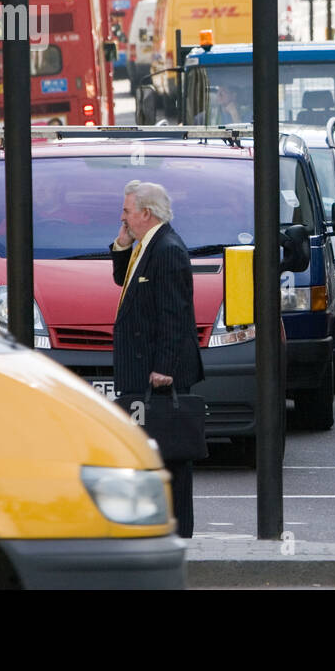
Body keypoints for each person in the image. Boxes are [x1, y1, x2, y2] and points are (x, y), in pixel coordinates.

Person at [110, 181, 205, 538]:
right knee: (151, 451)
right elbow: (125, 280)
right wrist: (121, 244)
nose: (123, 218)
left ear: (145, 213)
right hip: (143, 366)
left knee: (171, 453)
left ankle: (179, 532)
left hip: (158, 372)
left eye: (127, 212)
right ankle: (159, 526)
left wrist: (164, 366)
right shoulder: (145, 246)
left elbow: (173, 314)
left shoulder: (166, 249)